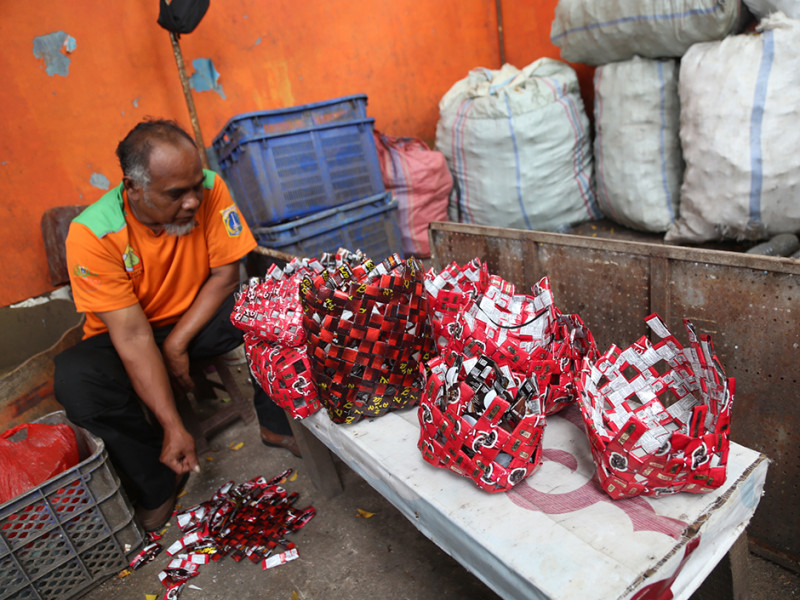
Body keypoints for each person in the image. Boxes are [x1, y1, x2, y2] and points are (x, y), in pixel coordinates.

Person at [54, 119, 299, 531]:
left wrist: (176, 343)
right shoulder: (93, 234)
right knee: (77, 380)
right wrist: (172, 425)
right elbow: (132, 334)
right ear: (133, 188)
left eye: (195, 188)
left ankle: (276, 425)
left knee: (271, 306)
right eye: (175, 194)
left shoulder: (210, 187)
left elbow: (226, 276)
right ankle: (159, 481)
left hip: (194, 316)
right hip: (129, 331)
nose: (191, 202)